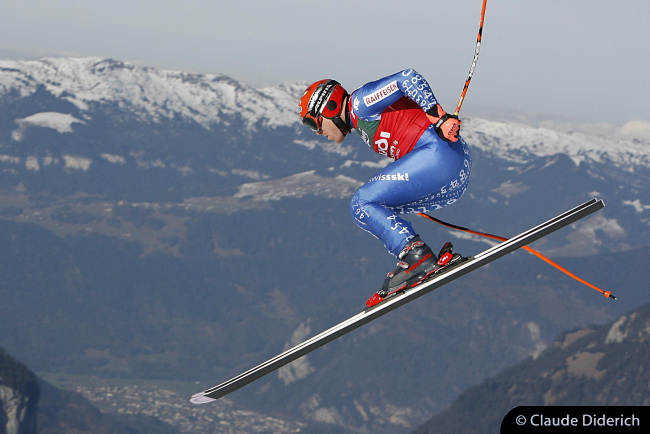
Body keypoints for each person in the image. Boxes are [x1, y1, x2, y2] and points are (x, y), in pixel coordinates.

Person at [298, 68, 471, 299]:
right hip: (453, 170)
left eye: (313, 123)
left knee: (362, 203)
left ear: (329, 108)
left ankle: (416, 257)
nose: (318, 132)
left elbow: (406, 78)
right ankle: (417, 257)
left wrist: (438, 117)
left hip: (438, 157)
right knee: (377, 207)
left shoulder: (359, 104)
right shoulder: (359, 122)